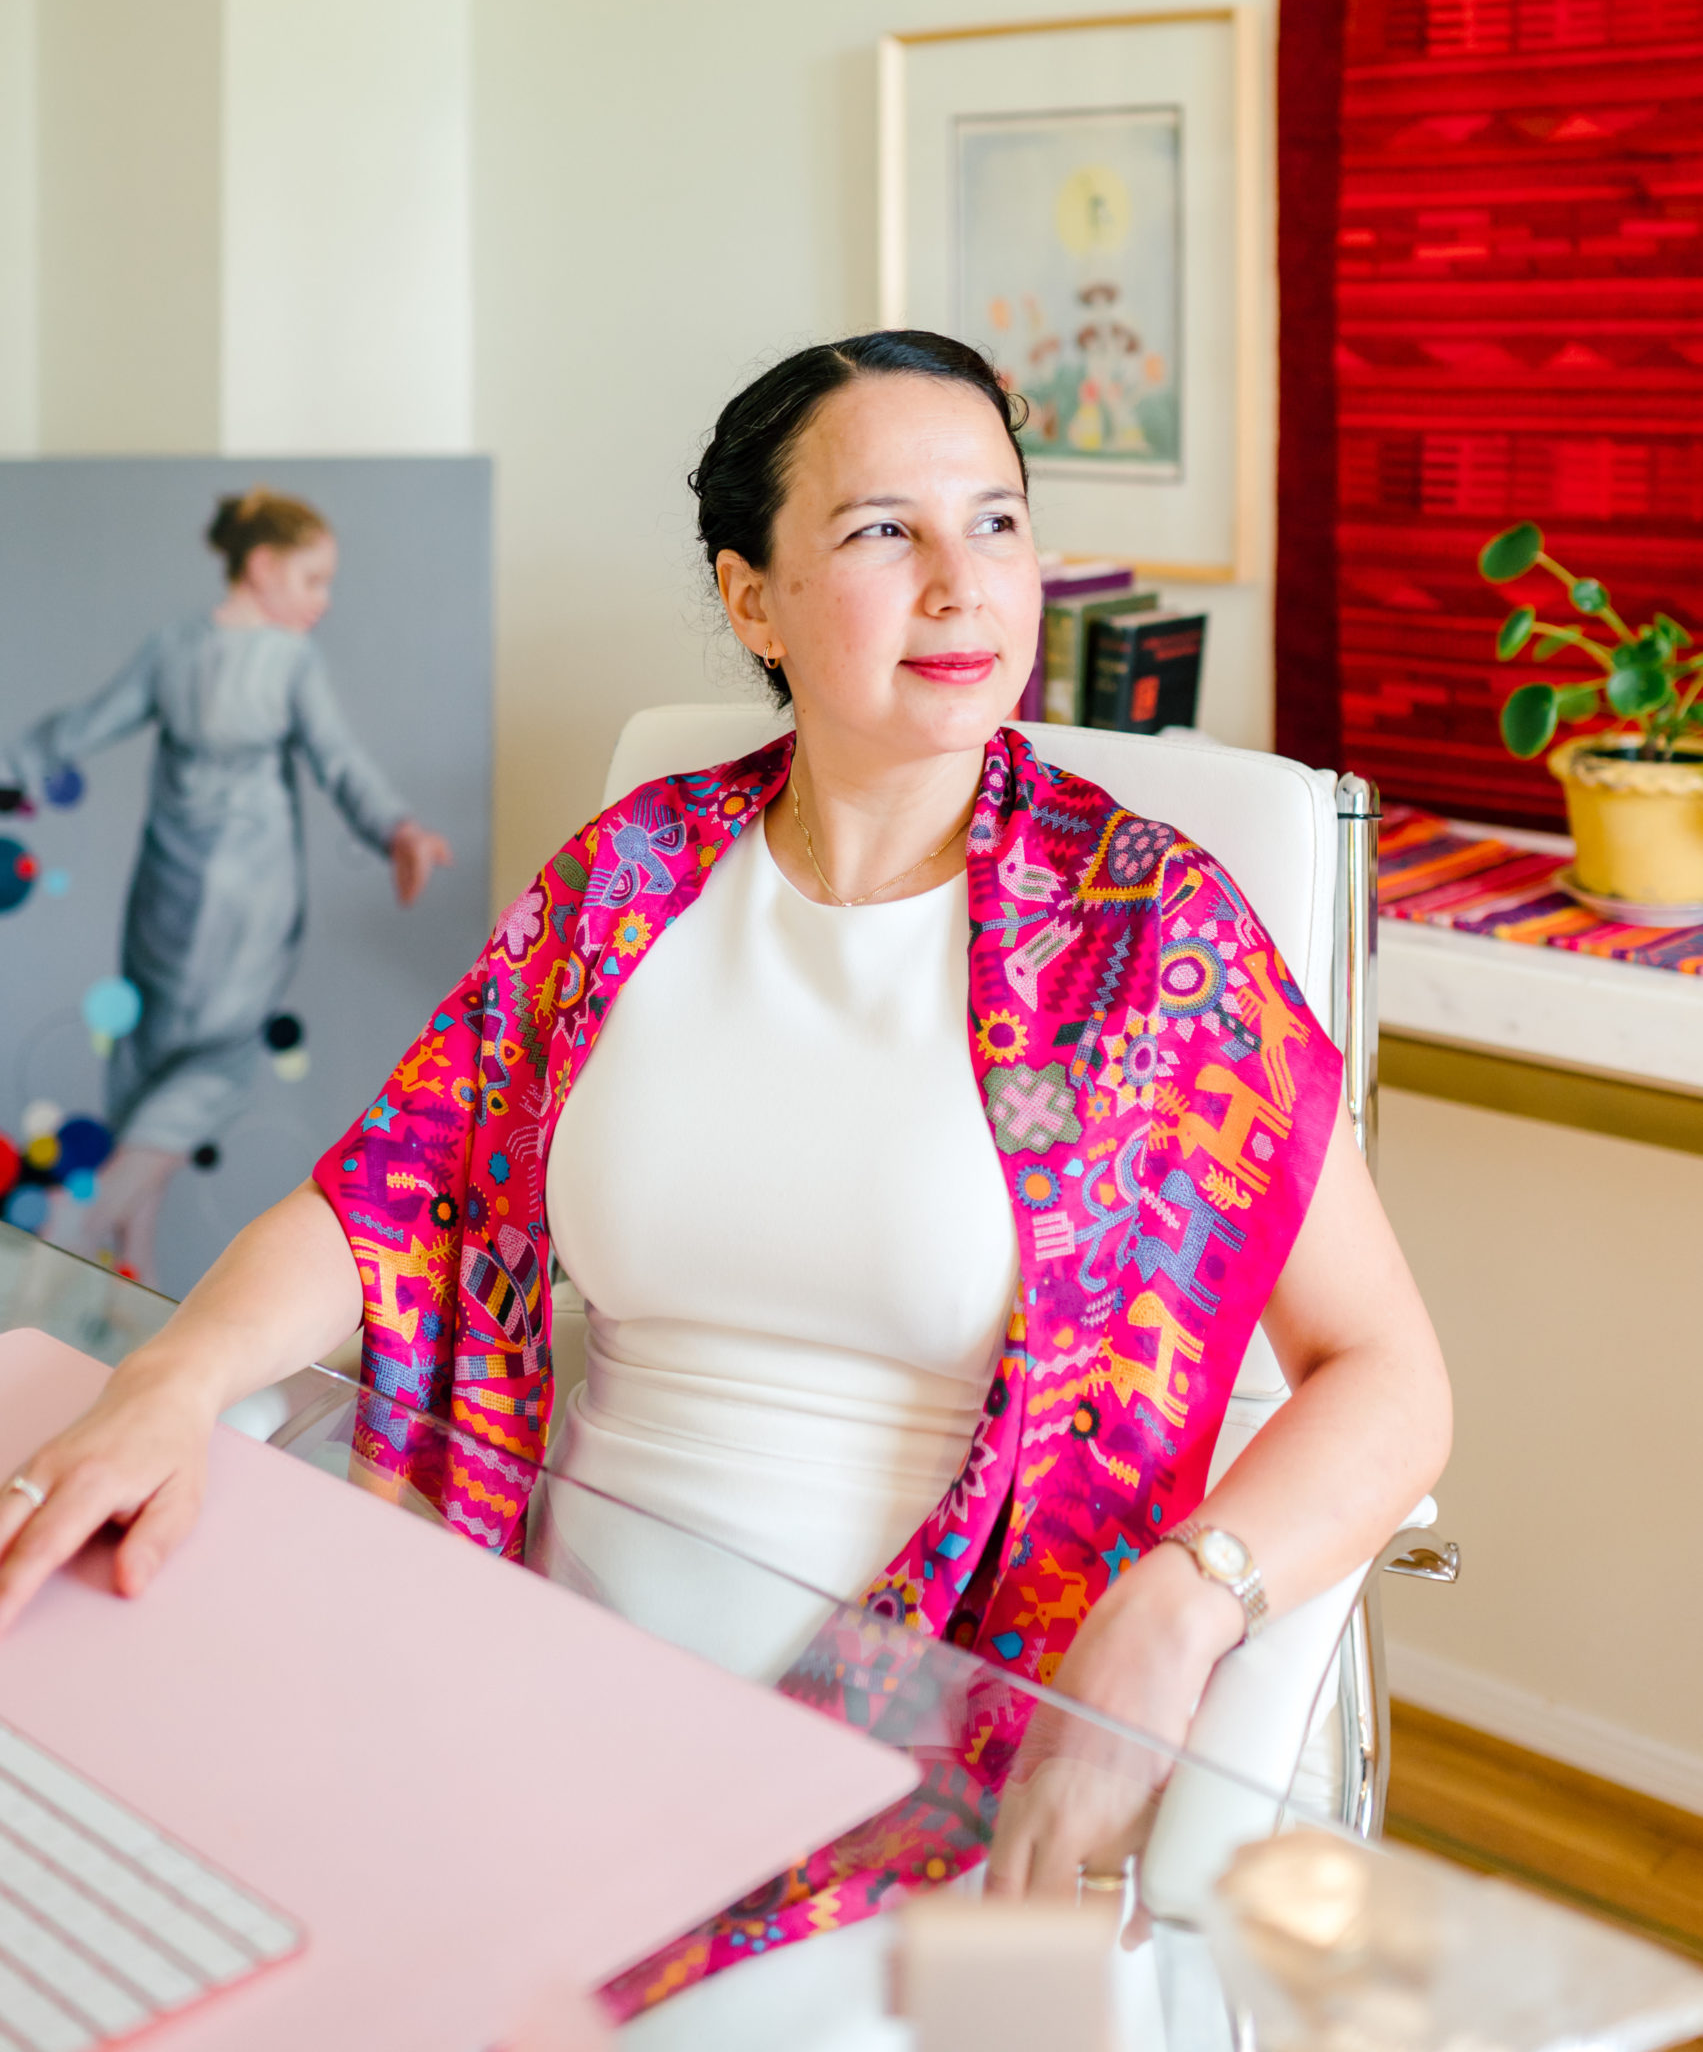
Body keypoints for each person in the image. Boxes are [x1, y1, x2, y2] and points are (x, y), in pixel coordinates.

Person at [0, 338, 1449, 1998]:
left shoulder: (1149, 936)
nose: (961, 586)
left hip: (933, 1774)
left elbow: (1389, 1379)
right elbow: (387, 1196)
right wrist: (174, 1378)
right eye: (882, 533)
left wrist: (1190, 1598)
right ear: (750, 601)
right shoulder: (632, 877)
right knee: (157, 1925)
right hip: (541, 1696)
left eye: (994, 521)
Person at [0, 488, 452, 1281]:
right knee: (217, 1062)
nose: (323, 601)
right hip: (248, 903)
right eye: (313, 580)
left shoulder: (172, 649)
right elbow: (339, 762)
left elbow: (84, 725)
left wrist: (10, 770)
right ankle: (77, 1230)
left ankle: (122, 1279)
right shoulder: (286, 662)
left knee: (147, 1067)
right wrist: (398, 831)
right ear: (263, 566)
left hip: (164, 900)